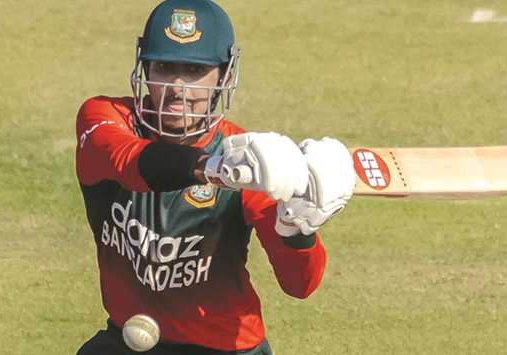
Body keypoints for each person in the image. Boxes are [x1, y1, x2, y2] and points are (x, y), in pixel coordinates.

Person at [74, 0, 355, 354]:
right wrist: (213, 168)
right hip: (127, 337)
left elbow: (301, 285)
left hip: (225, 348)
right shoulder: (105, 118)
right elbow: (130, 161)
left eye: (194, 70)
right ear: (143, 67)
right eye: (164, 67)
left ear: (223, 76)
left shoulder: (253, 165)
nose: (177, 87)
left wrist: (298, 227)